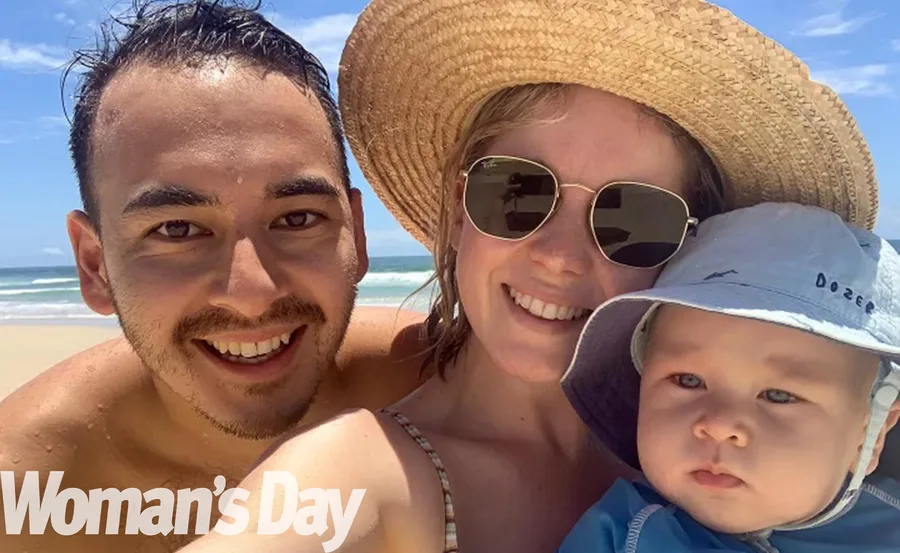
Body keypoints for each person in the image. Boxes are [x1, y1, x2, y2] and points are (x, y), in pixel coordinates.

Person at [177, 1, 884, 552]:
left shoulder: (788, 441)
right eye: (516, 193)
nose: (560, 256)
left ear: (696, 250)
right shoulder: (356, 472)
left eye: (632, 217)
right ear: (459, 210)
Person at [0, 2, 430, 552]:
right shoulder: (32, 493)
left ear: (357, 235)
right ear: (95, 267)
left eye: (297, 218)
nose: (252, 293)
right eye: (177, 229)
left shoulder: (441, 388)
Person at [557, 202, 900, 552]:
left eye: (778, 396)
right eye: (688, 381)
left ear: (868, 436)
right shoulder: (623, 537)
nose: (719, 426)